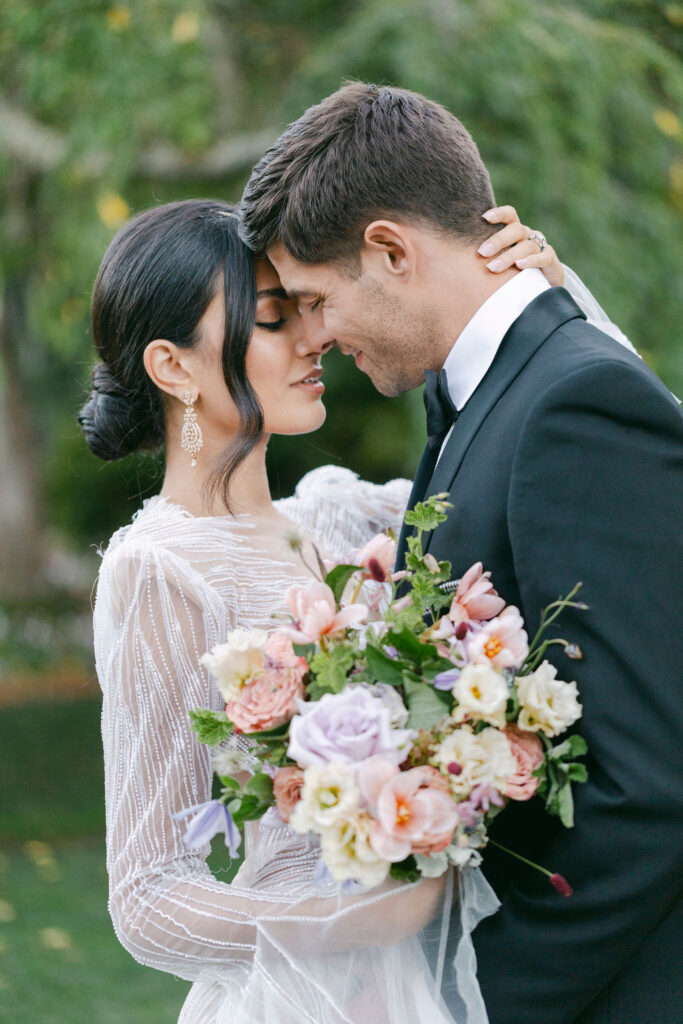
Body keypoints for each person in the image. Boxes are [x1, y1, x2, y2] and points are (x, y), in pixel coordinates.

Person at [81, 197, 638, 1024]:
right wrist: (344, 925)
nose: (314, 338)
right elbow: (148, 898)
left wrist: (555, 300)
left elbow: (586, 468)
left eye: (306, 310)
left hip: (461, 970)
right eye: (274, 320)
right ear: (173, 367)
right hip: (310, 999)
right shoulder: (160, 568)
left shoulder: (345, 519)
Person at [239, 82, 683, 1024]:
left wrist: (466, 998)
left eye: (314, 300)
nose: (315, 337)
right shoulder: (482, 397)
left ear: (390, 250)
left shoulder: (575, 405)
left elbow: (646, 788)